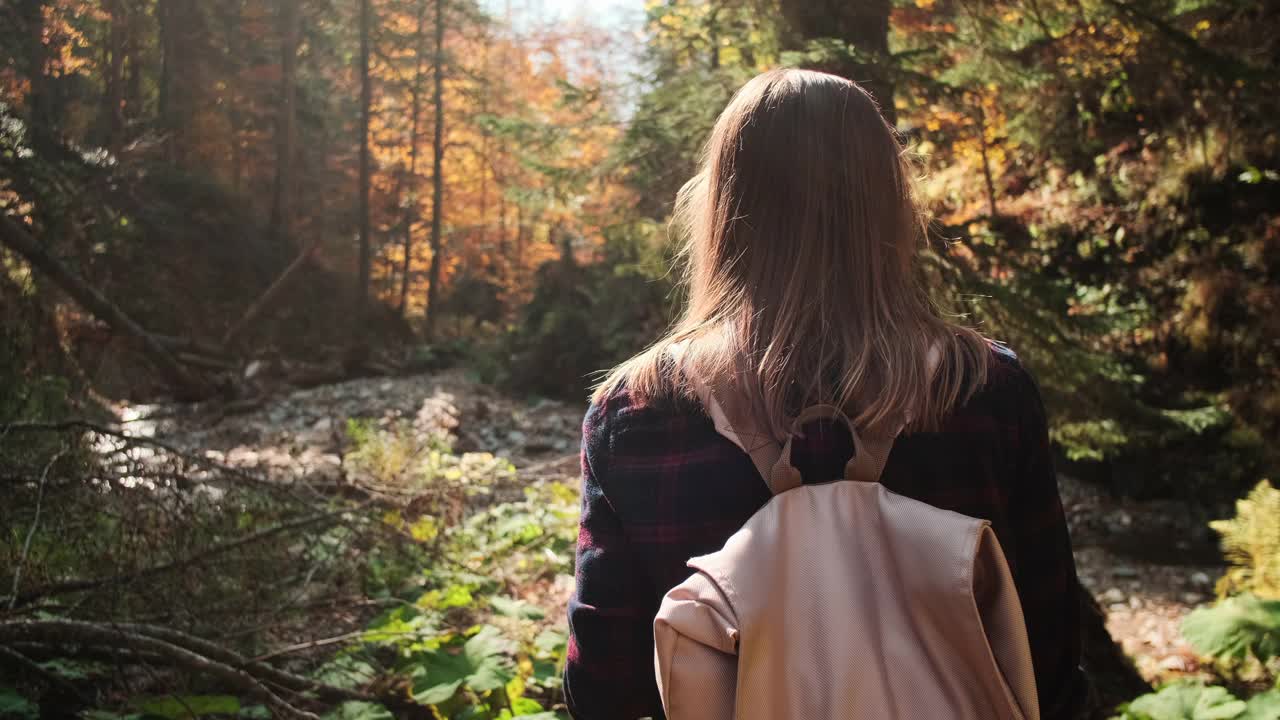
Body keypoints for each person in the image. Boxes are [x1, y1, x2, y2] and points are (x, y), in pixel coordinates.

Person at [564, 68, 1087, 719]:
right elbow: (1048, 651)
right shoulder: (983, 390)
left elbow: (604, 688)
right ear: (890, 202)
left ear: (723, 208)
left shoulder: (638, 415)